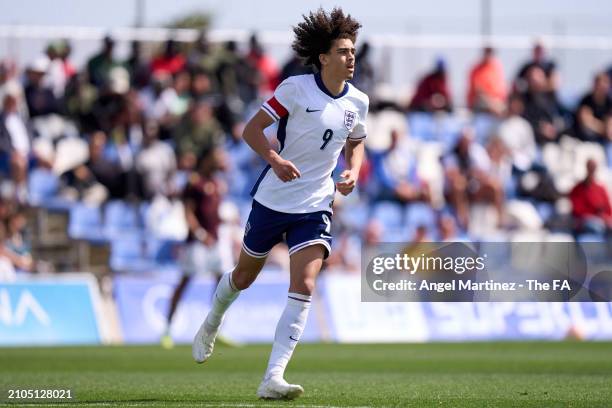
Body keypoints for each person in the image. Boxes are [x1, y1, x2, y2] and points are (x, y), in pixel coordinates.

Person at [191, 7, 368, 400]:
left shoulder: (359, 101)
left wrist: (353, 171)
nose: (351, 57)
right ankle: (212, 321)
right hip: (272, 200)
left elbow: (356, 142)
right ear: (323, 57)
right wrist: (274, 159)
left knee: (304, 284)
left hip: (317, 203)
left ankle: (273, 377)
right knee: (243, 277)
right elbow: (251, 129)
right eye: (342, 50)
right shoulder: (295, 89)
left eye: (353, 50)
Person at [161, 145, 231, 348]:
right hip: (197, 244)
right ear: (208, 158)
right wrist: (200, 234)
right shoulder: (195, 183)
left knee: (223, 285)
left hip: (216, 242)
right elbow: (188, 212)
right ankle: (167, 329)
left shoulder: (217, 183)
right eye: (217, 155)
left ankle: (216, 330)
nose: (221, 159)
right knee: (184, 282)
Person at [569, 159, 612, 238]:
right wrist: (596, 214)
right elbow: (578, 211)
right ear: (587, 168)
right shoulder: (577, 189)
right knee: (596, 227)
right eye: (591, 167)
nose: (592, 169)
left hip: (602, 221)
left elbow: (608, 209)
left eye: (594, 167)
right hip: (585, 222)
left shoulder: (600, 189)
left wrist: (605, 217)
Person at [466, 47, 507, 116]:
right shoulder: (477, 69)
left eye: (490, 52)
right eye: (487, 52)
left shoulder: (496, 67)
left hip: (497, 102)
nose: (489, 55)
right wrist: (493, 104)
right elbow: (479, 92)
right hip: (481, 103)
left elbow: (501, 89)